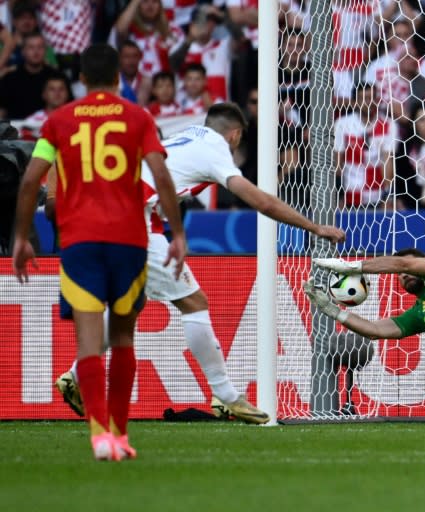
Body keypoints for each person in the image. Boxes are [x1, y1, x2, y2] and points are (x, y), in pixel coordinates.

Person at [54, 102, 347, 425]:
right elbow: (261, 201)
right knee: (194, 303)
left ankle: (76, 375)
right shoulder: (215, 149)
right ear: (234, 135)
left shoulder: (185, 137)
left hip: (103, 212)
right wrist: (315, 227)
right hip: (133, 218)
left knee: (127, 309)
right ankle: (226, 395)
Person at [12, 43, 186, 461]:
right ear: (117, 79)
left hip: (80, 241)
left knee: (89, 343)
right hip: (129, 240)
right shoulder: (139, 117)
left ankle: (99, 437)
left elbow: (31, 180)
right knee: (124, 339)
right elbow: (161, 173)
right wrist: (177, 233)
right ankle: (122, 436)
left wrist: (21, 236)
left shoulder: (57, 122)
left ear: (83, 79)